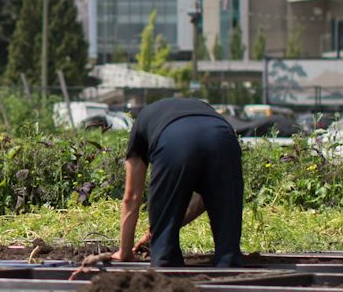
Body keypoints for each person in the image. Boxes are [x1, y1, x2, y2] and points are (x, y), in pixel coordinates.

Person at [76, 96, 245, 270]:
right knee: (228, 249)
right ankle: (230, 273)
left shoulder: (142, 123)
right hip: (223, 140)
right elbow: (209, 196)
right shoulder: (201, 109)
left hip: (174, 141)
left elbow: (132, 196)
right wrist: (154, 231)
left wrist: (125, 251)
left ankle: (166, 275)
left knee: (164, 254)